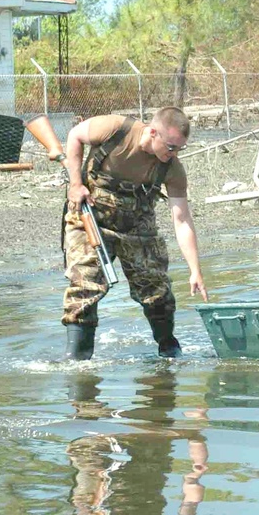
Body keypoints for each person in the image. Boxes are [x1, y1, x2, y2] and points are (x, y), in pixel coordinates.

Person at [61, 107, 208, 360]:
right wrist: (76, 185)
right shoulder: (116, 129)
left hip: (138, 227)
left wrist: (195, 269)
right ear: (153, 132)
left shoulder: (172, 169)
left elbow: (182, 220)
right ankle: (78, 363)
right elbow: (74, 135)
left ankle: (169, 350)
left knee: (157, 289)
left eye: (179, 149)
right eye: (170, 147)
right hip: (90, 218)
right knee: (84, 285)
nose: (173, 154)